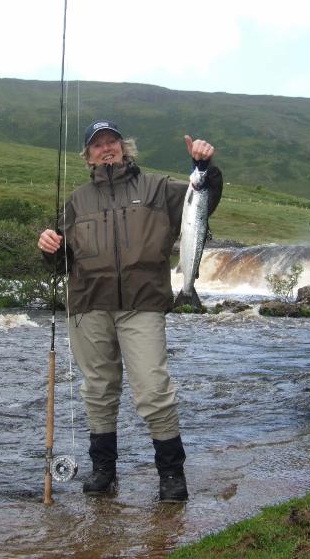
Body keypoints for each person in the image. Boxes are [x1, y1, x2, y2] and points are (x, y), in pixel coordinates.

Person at [38, 119, 222, 502]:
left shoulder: (157, 187)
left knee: (154, 389)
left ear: (125, 147)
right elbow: (61, 261)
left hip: (142, 302)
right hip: (89, 304)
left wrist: (204, 167)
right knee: (99, 391)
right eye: (98, 144)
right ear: (88, 155)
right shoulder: (76, 200)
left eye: (113, 142)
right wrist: (48, 247)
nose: (107, 148)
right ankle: (103, 470)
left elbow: (203, 201)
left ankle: (171, 473)